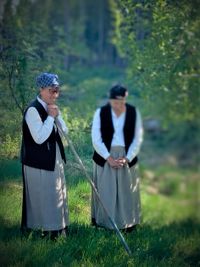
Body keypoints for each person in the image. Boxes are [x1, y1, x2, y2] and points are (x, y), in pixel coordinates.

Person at [21, 72, 69, 239]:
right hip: (37, 161)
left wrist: (58, 116)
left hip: (53, 158)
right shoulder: (33, 110)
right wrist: (50, 118)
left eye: (56, 91)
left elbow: (65, 132)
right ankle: (44, 230)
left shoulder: (52, 108)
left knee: (56, 192)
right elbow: (39, 138)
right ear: (41, 89)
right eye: (51, 90)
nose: (54, 94)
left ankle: (58, 228)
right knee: (44, 195)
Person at [91, 84, 143, 231]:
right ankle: (104, 224)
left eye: (121, 102)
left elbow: (137, 139)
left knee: (127, 191)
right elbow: (96, 139)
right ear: (110, 100)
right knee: (106, 191)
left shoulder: (133, 112)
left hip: (126, 156)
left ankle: (128, 224)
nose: (118, 106)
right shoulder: (100, 113)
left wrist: (127, 158)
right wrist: (109, 158)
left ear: (125, 99)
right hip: (104, 155)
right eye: (115, 103)